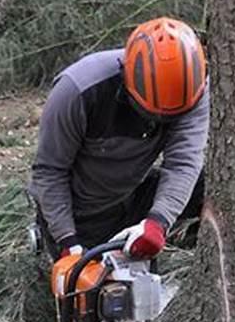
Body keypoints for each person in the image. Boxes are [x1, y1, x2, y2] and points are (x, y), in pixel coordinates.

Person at [28, 16, 209, 263]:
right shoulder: (78, 91)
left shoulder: (193, 87)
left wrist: (158, 221)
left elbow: (183, 162)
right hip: (82, 212)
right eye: (151, 113)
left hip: (134, 193)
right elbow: (49, 171)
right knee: (99, 291)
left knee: (213, 187)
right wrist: (67, 240)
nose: (159, 121)